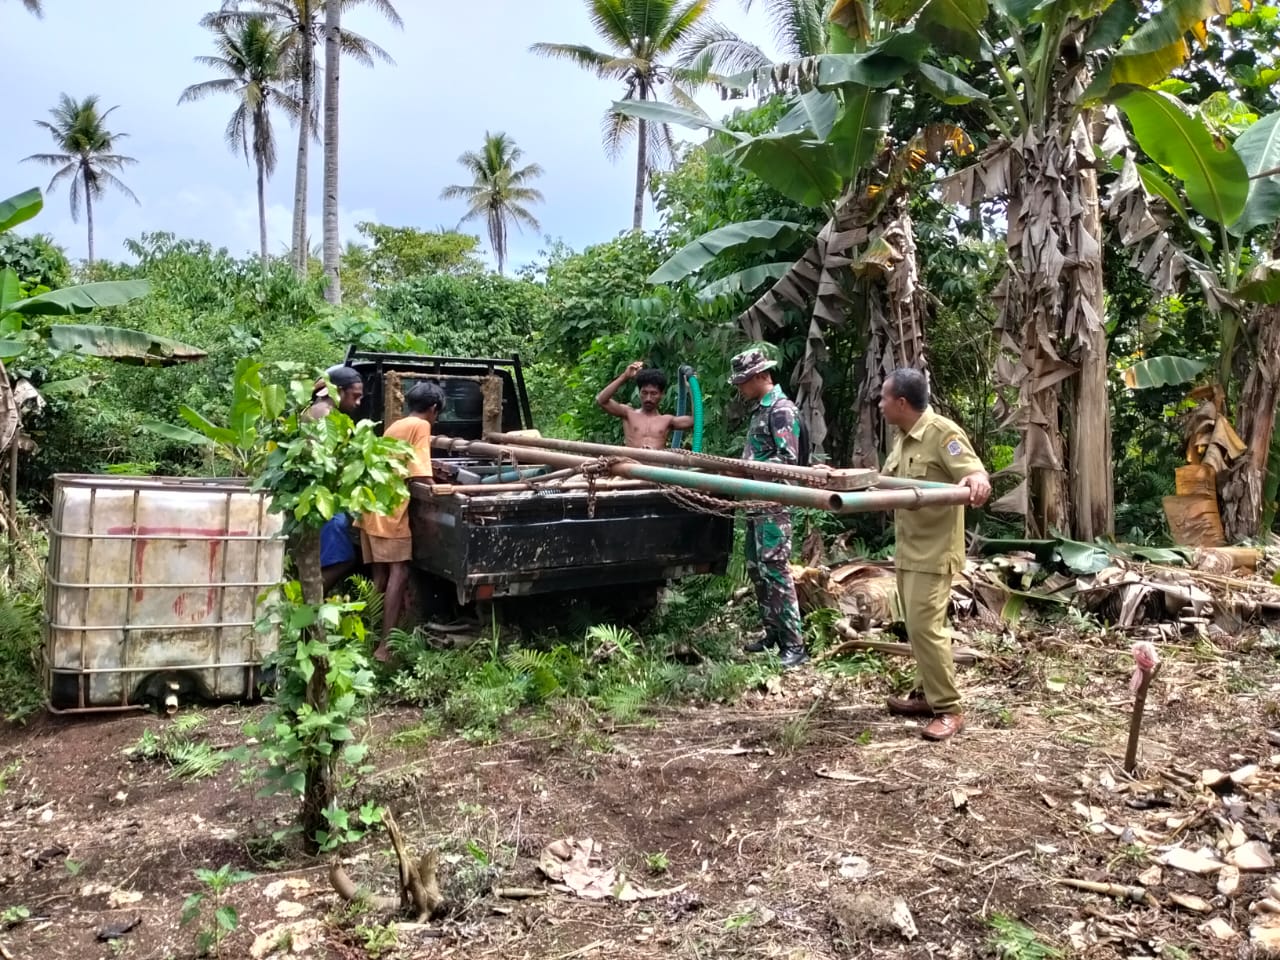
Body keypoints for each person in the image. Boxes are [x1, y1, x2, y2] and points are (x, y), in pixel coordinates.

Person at [879, 367, 991, 742]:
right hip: (909, 549)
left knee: (928, 628)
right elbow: (882, 482)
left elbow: (975, 473)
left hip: (935, 551)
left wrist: (977, 480)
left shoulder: (943, 433)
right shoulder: (904, 439)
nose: (879, 405)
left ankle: (949, 709)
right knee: (915, 627)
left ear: (901, 402)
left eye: (883, 398)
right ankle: (926, 695)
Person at [730, 347, 808, 669]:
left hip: (774, 502)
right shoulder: (759, 410)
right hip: (756, 501)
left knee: (775, 568)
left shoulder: (780, 410)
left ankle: (795, 644)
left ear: (762, 376)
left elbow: (789, 462)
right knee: (755, 566)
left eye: (744, 381)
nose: (741, 388)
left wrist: (749, 468)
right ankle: (772, 632)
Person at [358, 381, 444, 662]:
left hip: (371, 506)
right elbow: (420, 472)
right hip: (390, 512)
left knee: (380, 576)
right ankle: (385, 647)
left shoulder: (396, 424)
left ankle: (368, 636)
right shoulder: (421, 426)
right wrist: (439, 489)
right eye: (436, 413)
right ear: (432, 409)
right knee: (400, 573)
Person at [306, 366, 365, 593]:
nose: (358, 402)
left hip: (316, 494)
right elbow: (328, 460)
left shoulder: (313, 410)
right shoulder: (327, 415)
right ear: (338, 391)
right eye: (355, 396)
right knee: (343, 559)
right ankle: (309, 603)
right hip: (323, 496)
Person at [596, 361, 695, 450]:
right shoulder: (628, 413)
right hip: (631, 466)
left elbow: (695, 420)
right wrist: (625, 376)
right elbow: (601, 400)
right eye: (644, 393)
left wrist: (691, 389)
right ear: (639, 392)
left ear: (662, 395)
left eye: (653, 393)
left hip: (656, 469)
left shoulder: (667, 420)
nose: (648, 398)